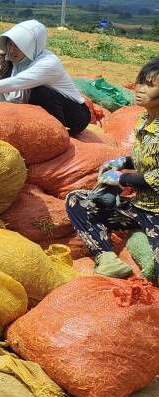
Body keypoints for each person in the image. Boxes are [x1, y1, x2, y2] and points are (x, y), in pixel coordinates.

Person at [66, 57, 159, 283]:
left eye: (150, 85)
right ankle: (106, 258)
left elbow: (155, 178)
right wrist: (123, 162)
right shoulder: (144, 120)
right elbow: (147, 159)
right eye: (140, 82)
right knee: (77, 200)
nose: (140, 89)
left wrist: (121, 178)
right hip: (139, 207)